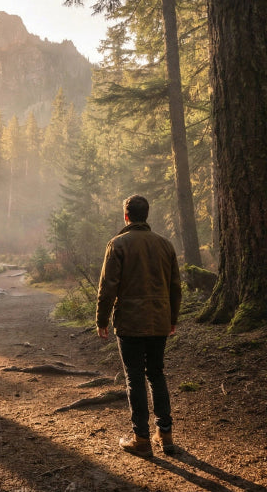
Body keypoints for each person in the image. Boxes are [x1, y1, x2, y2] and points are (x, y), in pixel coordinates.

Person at [95, 195, 181, 457]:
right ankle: (165, 435)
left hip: (130, 323)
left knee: (134, 378)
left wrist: (101, 320)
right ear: (146, 215)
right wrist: (172, 319)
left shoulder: (118, 244)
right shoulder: (165, 245)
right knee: (156, 374)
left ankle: (141, 439)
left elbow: (107, 287)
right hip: (159, 320)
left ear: (126, 216)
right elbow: (175, 287)